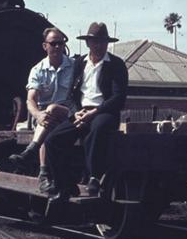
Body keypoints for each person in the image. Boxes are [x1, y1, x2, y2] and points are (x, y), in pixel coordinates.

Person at [42, 22, 128, 204]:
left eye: (102, 42)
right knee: (52, 140)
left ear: (107, 44)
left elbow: (118, 98)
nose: (98, 45)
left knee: (96, 130)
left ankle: (94, 177)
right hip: (81, 112)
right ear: (88, 43)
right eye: (94, 41)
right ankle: (64, 186)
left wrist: (94, 113)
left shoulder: (116, 65)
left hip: (105, 112)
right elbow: (72, 95)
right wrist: (78, 112)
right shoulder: (80, 63)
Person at [9, 27, 76, 192]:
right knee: (49, 117)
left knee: (52, 108)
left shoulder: (74, 66)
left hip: (69, 114)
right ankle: (44, 173)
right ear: (45, 46)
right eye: (53, 43)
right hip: (46, 120)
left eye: (61, 43)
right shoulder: (37, 70)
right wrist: (38, 114)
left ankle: (32, 152)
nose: (58, 47)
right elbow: (31, 99)